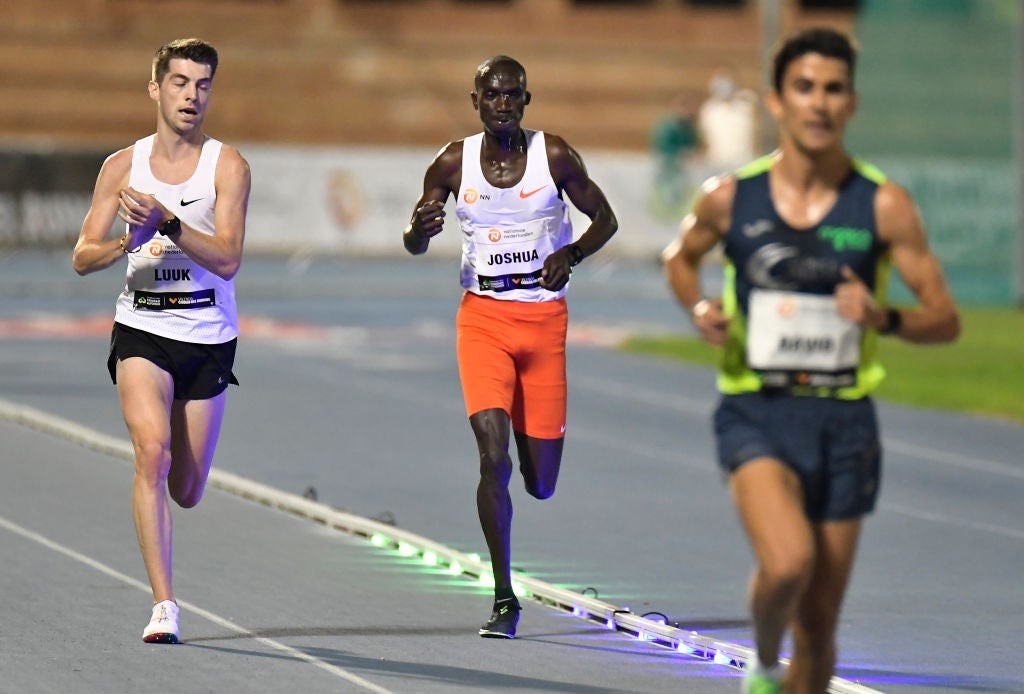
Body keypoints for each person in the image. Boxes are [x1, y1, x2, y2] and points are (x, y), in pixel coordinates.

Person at [662, 28, 959, 694]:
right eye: (804, 88)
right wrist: (699, 306)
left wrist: (883, 317)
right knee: (789, 562)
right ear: (776, 101)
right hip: (757, 410)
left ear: (852, 102)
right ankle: (766, 663)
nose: (819, 103)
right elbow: (679, 258)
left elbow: (945, 318)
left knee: (820, 629)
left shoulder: (883, 204)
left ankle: (788, 667)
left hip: (844, 423)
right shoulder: (731, 196)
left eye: (833, 89)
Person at [403, 55, 617, 639]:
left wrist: (571, 253)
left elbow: (606, 219)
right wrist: (418, 231)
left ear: (527, 100)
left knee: (540, 482)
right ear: (475, 101)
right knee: (491, 456)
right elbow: (415, 241)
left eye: (513, 95)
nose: (503, 104)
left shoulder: (555, 155)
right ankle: (504, 596)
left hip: (544, 324)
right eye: (492, 95)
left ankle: (526, 424)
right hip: (483, 321)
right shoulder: (452, 162)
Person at [72, 38, 251, 644]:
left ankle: (169, 554)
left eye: (202, 85)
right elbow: (82, 256)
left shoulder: (228, 166)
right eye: (179, 83)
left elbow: (227, 259)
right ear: (155, 88)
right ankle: (164, 605)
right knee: (152, 452)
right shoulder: (123, 167)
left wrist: (168, 223)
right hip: (142, 327)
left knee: (188, 488)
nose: (191, 96)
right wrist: (129, 241)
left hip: (207, 334)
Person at [697, 66, 758, 175]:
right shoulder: (709, 109)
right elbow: (704, 138)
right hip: (717, 165)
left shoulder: (745, 104)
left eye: (725, 78)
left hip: (743, 163)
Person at [649, 91, 699, 221]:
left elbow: (694, 145)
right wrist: (680, 154)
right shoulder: (668, 127)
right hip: (668, 169)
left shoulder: (688, 127)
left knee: (680, 194)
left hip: (681, 170)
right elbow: (662, 147)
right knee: (668, 194)